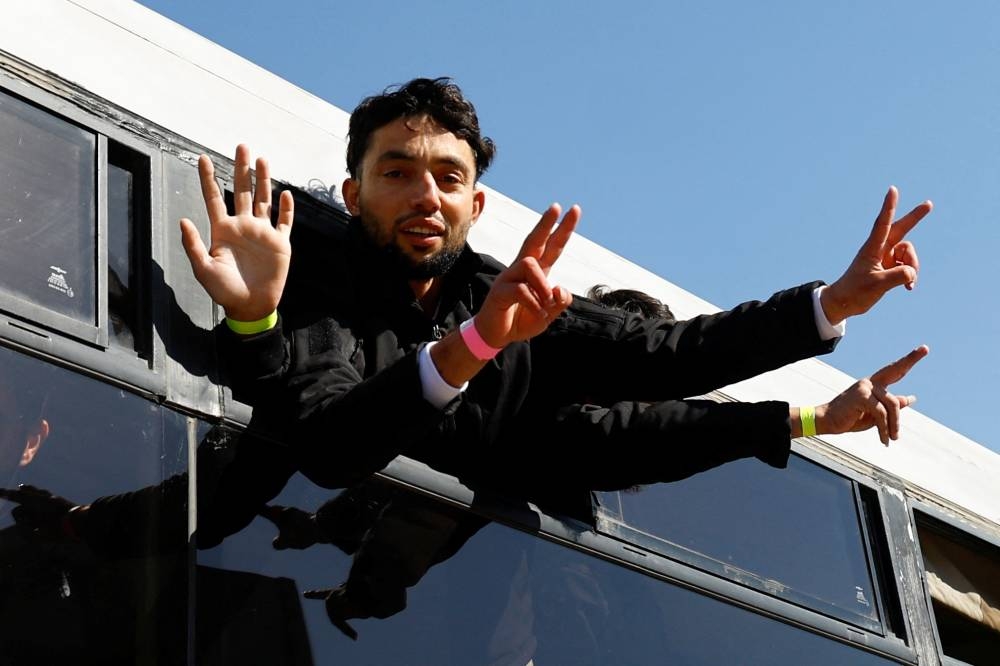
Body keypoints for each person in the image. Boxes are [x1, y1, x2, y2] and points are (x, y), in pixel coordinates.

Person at [179, 77, 930, 503]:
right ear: (352, 193)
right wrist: (253, 321)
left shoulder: (511, 302)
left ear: (476, 207)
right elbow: (328, 447)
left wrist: (831, 305)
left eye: (449, 179)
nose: (425, 198)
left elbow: (664, 361)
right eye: (397, 173)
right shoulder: (315, 278)